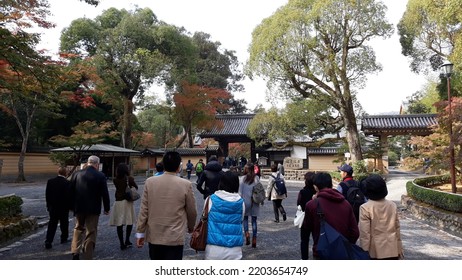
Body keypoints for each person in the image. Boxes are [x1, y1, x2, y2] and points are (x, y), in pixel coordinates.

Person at [135, 151, 197, 260]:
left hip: (155, 234)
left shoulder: (150, 182)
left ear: (163, 165)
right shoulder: (185, 184)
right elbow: (192, 211)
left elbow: (144, 209)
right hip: (175, 236)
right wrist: (191, 227)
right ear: (179, 166)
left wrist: (140, 232)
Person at [302, 172, 359, 259]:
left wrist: (304, 257)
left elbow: (305, 233)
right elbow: (355, 232)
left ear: (315, 186)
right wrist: (346, 245)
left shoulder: (312, 205)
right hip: (343, 252)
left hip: (321, 252)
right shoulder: (345, 203)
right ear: (331, 184)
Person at [69, 155, 110, 260]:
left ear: (88, 162)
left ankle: (75, 251)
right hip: (93, 208)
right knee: (91, 231)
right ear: (97, 164)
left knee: (78, 228)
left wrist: (71, 206)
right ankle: (87, 255)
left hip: (79, 207)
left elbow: (70, 191)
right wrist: (107, 208)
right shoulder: (100, 176)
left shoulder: (77, 174)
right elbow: (105, 193)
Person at [359, 174, 404, 260]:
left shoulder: (365, 208)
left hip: (375, 251)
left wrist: (363, 253)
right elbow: (397, 228)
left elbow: (365, 234)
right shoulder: (392, 205)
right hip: (392, 249)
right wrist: (399, 248)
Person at [204, 171, 245, 260]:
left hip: (213, 249)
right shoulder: (241, 203)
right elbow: (241, 219)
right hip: (234, 250)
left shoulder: (210, 200)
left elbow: (205, 218)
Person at [109, 163, 138, 250]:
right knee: (129, 221)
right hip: (128, 202)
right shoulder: (129, 179)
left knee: (119, 223)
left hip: (118, 202)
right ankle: (127, 240)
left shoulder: (115, 180)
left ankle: (121, 243)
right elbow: (135, 187)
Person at [44, 166, 71, 249]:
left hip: (53, 207)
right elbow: (69, 196)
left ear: (58, 172)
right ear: (66, 173)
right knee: (64, 223)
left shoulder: (50, 181)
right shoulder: (67, 183)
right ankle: (64, 238)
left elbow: (47, 195)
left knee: (52, 224)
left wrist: (48, 205)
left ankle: (48, 241)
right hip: (63, 207)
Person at [238, 162, 262, 248]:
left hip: (245, 201)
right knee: (254, 220)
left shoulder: (242, 179)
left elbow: (240, 192)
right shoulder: (256, 178)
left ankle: (247, 234)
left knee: (245, 219)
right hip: (254, 202)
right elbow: (259, 190)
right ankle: (254, 239)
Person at [297, 171, 316, 260]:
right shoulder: (317, 192)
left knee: (304, 240)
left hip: (305, 218)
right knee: (317, 238)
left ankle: (304, 258)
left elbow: (299, 204)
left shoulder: (302, 192)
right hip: (316, 218)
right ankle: (317, 255)